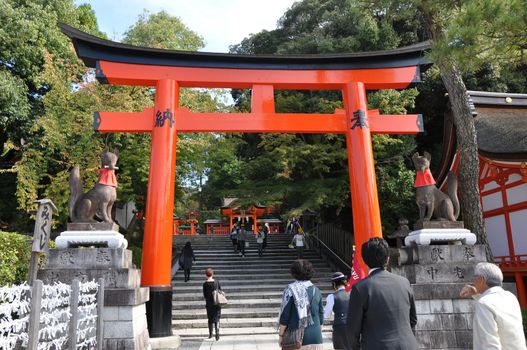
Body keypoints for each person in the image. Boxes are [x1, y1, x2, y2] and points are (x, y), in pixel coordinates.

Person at [347, 237, 418, 350]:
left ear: (364, 260)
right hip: (408, 344)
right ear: (388, 259)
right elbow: (413, 319)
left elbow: (352, 330)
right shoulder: (404, 283)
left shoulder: (360, 289)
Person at [459, 262, 526, 350]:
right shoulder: (510, 297)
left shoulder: (483, 304)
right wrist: (476, 291)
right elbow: (493, 302)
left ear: (481, 279)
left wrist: (477, 292)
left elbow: (489, 344)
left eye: (475, 277)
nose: (473, 281)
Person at [278, 259, 324, 350]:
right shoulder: (316, 290)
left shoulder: (290, 290)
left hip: (295, 340)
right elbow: (321, 315)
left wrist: (281, 335)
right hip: (316, 339)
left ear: (294, 273)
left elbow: (285, 317)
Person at [324, 272, 351, 350]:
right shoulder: (352, 293)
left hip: (339, 327)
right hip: (353, 325)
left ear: (334, 284)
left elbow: (326, 315)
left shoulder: (332, 296)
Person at [203, 268, 222, 340]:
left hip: (209, 304)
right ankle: (217, 333)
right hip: (217, 303)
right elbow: (220, 290)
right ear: (212, 274)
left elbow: (204, 295)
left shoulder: (205, 284)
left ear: (206, 275)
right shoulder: (216, 282)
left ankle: (210, 334)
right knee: (217, 318)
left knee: (210, 319)